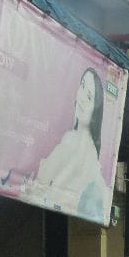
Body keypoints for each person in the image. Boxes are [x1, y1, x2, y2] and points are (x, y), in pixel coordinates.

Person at [36, 67, 108, 224]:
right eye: (82, 86)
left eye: (89, 97)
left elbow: (42, 181)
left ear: (96, 112)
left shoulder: (75, 142)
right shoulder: (89, 152)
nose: (81, 97)